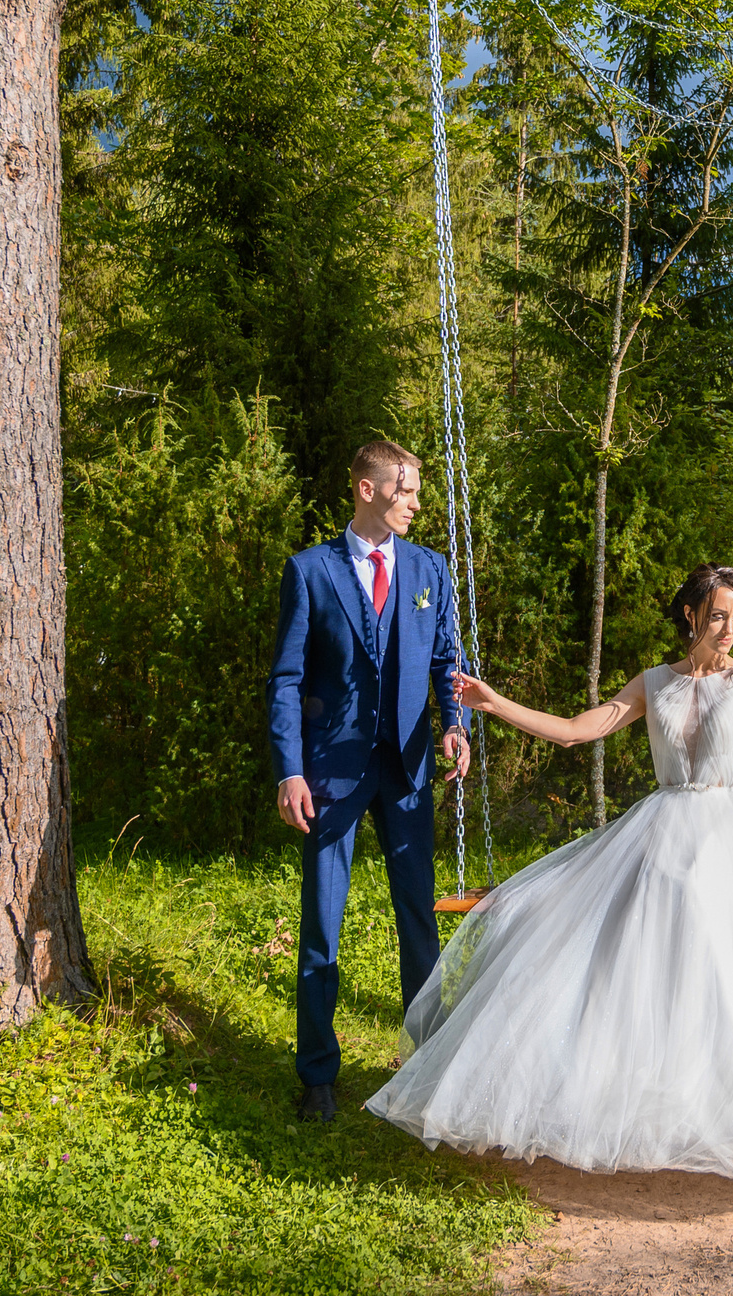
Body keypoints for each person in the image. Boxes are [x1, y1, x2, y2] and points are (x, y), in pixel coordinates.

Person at [366, 563, 733, 1186]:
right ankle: (639, 1098)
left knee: (729, 970)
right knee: (635, 967)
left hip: (729, 838)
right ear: (691, 615)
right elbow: (579, 732)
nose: (729, 630)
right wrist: (495, 702)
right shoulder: (655, 683)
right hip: (659, 836)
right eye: (718, 617)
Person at [267, 440, 472, 1124]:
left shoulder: (428, 569)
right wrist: (291, 768)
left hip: (409, 771)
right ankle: (317, 1076)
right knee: (322, 926)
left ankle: (431, 1064)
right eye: (406, 490)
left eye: (415, 491)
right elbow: (288, 679)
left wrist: (455, 725)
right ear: (366, 489)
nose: (416, 502)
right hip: (329, 776)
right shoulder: (310, 573)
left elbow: (448, 658)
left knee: (419, 919)